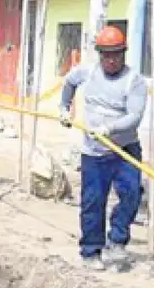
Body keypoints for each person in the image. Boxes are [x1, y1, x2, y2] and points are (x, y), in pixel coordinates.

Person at [59, 25, 148, 271]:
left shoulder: (134, 81)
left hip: (124, 150)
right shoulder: (86, 73)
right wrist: (64, 108)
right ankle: (91, 251)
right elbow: (68, 83)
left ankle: (117, 241)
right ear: (99, 54)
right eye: (106, 54)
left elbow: (135, 116)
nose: (111, 60)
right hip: (93, 154)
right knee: (92, 202)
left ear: (124, 54)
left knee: (132, 194)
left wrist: (109, 129)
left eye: (116, 54)